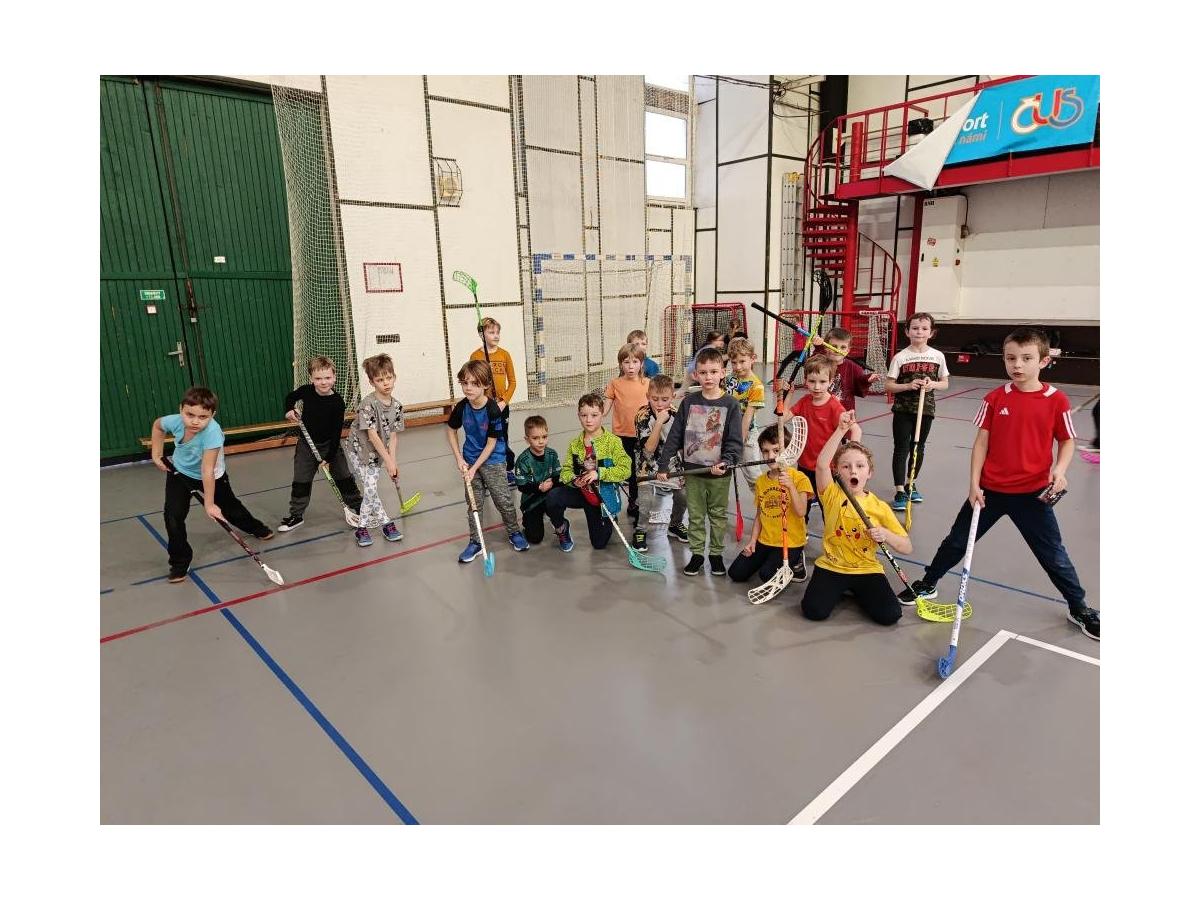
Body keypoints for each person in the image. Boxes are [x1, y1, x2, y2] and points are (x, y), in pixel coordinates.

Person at [899, 327, 1100, 641]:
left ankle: (1079, 607)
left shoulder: (1057, 400)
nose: (1017, 365)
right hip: (989, 492)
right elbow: (981, 443)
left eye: (1026, 358)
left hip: (1033, 496)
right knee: (956, 541)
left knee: (1053, 555)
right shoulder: (995, 398)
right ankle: (929, 582)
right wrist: (973, 484)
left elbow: (1067, 441)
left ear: (1044, 361)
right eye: (1011, 358)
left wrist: (1060, 471)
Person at [150, 387, 273, 582]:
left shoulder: (212, 433)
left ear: (212, 415)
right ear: (181, 409)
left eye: (202, 417)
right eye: (190, 415)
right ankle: (180, 562)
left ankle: (256, 527)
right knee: (172, 516)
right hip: (180, 472)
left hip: (212, 476)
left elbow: (207, 470)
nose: (195, 421)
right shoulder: (175, 421)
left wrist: (209, 504)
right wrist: (156, 454)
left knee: (231, 510)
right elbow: (158, 426)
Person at [800, 411, 910, 625]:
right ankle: (843, 588)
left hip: (866, 568)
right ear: (837, 471)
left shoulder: (880, 507)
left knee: (890, 615)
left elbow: (906, 547)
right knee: (813, 611)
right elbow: (821, 465)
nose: (853, 471)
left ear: (869, 472)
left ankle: (856, 589)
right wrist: (841, 430)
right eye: (846, 466)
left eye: (860, 466)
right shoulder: (831, 494)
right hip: (832, 566)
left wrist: (885, 534)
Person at [656, 346, 744, 576]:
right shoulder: (689, 402)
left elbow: (735, 441)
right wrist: (664, 465)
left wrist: (727, 461)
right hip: (693, 472)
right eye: (703, 372)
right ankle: (697, 554)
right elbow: (675, 435)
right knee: (695, 516)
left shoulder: (731, 405)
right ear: (695, 375)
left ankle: (715, 555)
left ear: (723, 373)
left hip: (719, 475)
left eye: (713, 372)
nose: (708, 377)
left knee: (717, 516)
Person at [447, 359, 529, 562]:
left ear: (485, 385)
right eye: (465, 383)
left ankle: (514, 532)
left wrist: (474, 468)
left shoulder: (493, 410)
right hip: (469, 459)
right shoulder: (462, 407)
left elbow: (491, 444)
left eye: (474, 384)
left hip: (493, 459)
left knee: (503, 499)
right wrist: (459, 459)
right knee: (474, 504)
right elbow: (451, 430)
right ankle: (475, 542)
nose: (468, 388)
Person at [279, 356, 361, 532]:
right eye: (318, 378)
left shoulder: (337, 402)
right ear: (311, 378)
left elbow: (336, 433)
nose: (323, 382)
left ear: (334, 377)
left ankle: (359, 507)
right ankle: (296, 515)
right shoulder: (307, 391)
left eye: (327, 377)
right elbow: (290, 397)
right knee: (301, 480)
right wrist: (289, 410)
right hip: (306, 446)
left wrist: (329, 457)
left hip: (330, 445)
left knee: (344, 478)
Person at [546, 392, 632, 550]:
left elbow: (626, 470)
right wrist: (574, 480)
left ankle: (610, 517)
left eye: (594, 415)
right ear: (578, 416)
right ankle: (561, 527)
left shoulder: (613, 442)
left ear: (602, 414)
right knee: (553, 497)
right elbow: (566, 471)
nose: (589, 420)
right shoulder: (575, 444)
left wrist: (599, 473)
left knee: (599, 544)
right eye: (584, 415)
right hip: (582, 493)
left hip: (601, 498)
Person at [782, 355, 862, 522]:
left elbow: (856, 429)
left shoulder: (834, 406)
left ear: (831, 382)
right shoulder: (804, 401)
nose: (817, 387)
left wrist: (852, 455)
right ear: (805, 380)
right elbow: (782, 418)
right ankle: (800, 534)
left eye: (822, 382)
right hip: (804, 466)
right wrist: (788, 395)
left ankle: (832, 536)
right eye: (812, 381)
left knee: (829, 508)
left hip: (827, 469)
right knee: (802, 507)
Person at [730, 424, 813, 584]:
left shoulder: (799, 478)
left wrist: (790, 486)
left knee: (766, 575)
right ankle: (769, 558)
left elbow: (801, 511)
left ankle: (796, 559)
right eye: (766, 451)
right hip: (766, 540)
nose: (771, 456)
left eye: (776, 450)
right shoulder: (761, 481)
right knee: (736, 573)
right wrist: (753, 541)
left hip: (790, 542)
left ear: (788, 450)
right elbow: (760, 515)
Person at [884, 312, 950, 511]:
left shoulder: (938, 356)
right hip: (903, 410)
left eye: (924, 328)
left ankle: (911, 484)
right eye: (914, 328)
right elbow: (889, 385)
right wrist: (907, 385)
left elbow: (945, 383)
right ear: (907, 331)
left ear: (931, 333)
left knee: (918, 447)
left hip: (926, 410)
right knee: (901, 448)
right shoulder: (900, 357)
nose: (919, 332)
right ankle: (899, 491)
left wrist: (933, 384)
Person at [631, 373, 688, 550]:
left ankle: (675, 524)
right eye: (655, 399)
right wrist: (659, 423)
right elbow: (648, 449)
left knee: (683, 496)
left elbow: (681, 445)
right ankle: (640, 530)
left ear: (673, 397)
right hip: (647, 465)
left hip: (670, 463)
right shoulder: (642, 415)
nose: (660, 404)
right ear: (648, 396)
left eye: (665, 399)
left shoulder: (677, 414)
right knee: (646, 501)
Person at [603, 343, 649, 522]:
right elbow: (605, 408)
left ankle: (634, 502)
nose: (631, 366)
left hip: (641, 436)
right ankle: (612, 505)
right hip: (620, 436)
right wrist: (594, 415)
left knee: (636, 473)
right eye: (626, 362)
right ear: (620, 364)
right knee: (619, 471)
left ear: (641, 363)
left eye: (635, 362)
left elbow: (655, 406)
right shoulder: (615, 384)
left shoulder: (647, 384)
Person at [513, 415, 573, 551]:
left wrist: (553, 483)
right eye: (535, 438)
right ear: (527, 439)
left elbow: (559, 478)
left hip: (549, 497)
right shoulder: (523, 460)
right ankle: (529, 521)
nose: (541, 442)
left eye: (544, 437)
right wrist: (539, 487)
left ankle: (561, 526)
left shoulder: (552, 454)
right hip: (532, 500)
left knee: (558, 499)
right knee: (535, 538)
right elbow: (522, 486)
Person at [470, 316, 519, 484]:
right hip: (484, 406)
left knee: (501, 437)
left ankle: (507, 469)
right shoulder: (475, 356)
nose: (496, 335)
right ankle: (485, 470)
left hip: (501, 406)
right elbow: (473, 382)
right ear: (481, 335)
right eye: (491, 332)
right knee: (484, 438)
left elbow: (513, 382)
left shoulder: (504, 355)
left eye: (498, 332)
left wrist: (503, 401)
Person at [724, 336, 766, 487]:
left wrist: (738, 441)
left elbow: (748, 417)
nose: (738, 367)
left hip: (745, 435)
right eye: (734, 362)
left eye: (742, 361)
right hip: (727, 431)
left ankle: (763, 499)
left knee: (753, 475)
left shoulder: (756, 386)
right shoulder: (729, 379)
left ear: (753, 358)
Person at [813, 327, 879, 414]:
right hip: (821, 412)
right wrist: (818, 349)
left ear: (848, 350)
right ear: (826, 347)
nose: (838, 350)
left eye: (843, 347)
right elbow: (812, 369)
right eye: (834, 346)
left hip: (844, 413)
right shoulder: (821, 363)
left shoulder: (854, 367)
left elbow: (859, 387)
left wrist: (867, 380)